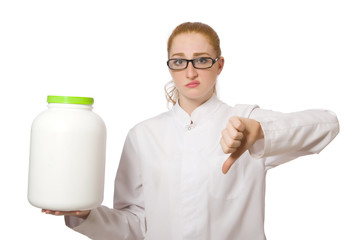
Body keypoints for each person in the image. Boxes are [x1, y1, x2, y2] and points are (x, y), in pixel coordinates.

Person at [43, 22, 339, 240]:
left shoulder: (245, 120)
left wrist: (259, 132)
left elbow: (326, 125)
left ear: (219, 64)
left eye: (201, 60)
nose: (190, 71)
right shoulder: (144, 135)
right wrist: (86, 215)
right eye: (179, 61)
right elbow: (134, 225)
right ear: (169, 66)